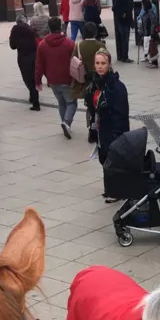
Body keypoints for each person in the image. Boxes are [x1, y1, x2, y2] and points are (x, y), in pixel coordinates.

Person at [85, 48, 129, 200]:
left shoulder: (117, 87)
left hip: (113, 128)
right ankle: (110, 188)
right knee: (103, 158)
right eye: (97, 63)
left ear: (109, 65)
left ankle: (116, 191)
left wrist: (118, 134)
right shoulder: (95, 84)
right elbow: (92, 108)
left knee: (112, 160)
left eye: (103, 63)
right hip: (100, 127)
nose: (99, 66)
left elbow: (122, 113)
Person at [35, 16, 77, 138]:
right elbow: (76, 60)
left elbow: (39, 65)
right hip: (67, 79)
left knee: (61, 103)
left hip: (52, 80)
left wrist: (38, 81)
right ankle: (67, 122)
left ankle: (65, 123)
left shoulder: (42, 45)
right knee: (71, 103)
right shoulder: (69, 43)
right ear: (60, 27)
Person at [71, 22, 103, 139]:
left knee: (90, 106)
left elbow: (73, 62)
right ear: (95, 32)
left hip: (86, 82)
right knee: (99, 105)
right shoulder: (100, 46)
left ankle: (91, 129)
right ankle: (99, 128)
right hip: (99, 80)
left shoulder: (78, 46)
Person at [9, 15, 40, 110]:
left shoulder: (14, 30)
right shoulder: (31, 29)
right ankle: (33, 97)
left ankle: (35, 103)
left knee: (27, 79)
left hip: (23, 57)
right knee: (33, 78)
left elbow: (12, 46)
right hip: (34, 55)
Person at [112, 0, 134, 64]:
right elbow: (114, 8)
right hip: (122, 22)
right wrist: (121, 13)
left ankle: (124, 56)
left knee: (126, 40)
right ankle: (124, 57)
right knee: (124, 40)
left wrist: (131, 21)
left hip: (127, 21)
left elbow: (130, 9)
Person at [141, 0, 159, 68]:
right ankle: (150, 60)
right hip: (146, 33)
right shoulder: (146, 12)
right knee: (149, 48)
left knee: (152, 48)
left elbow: (153, 24)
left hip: (150, 33)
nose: (142, 5)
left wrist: (152, 34)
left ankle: (154, 63)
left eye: (142, 4)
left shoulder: (150, 13)